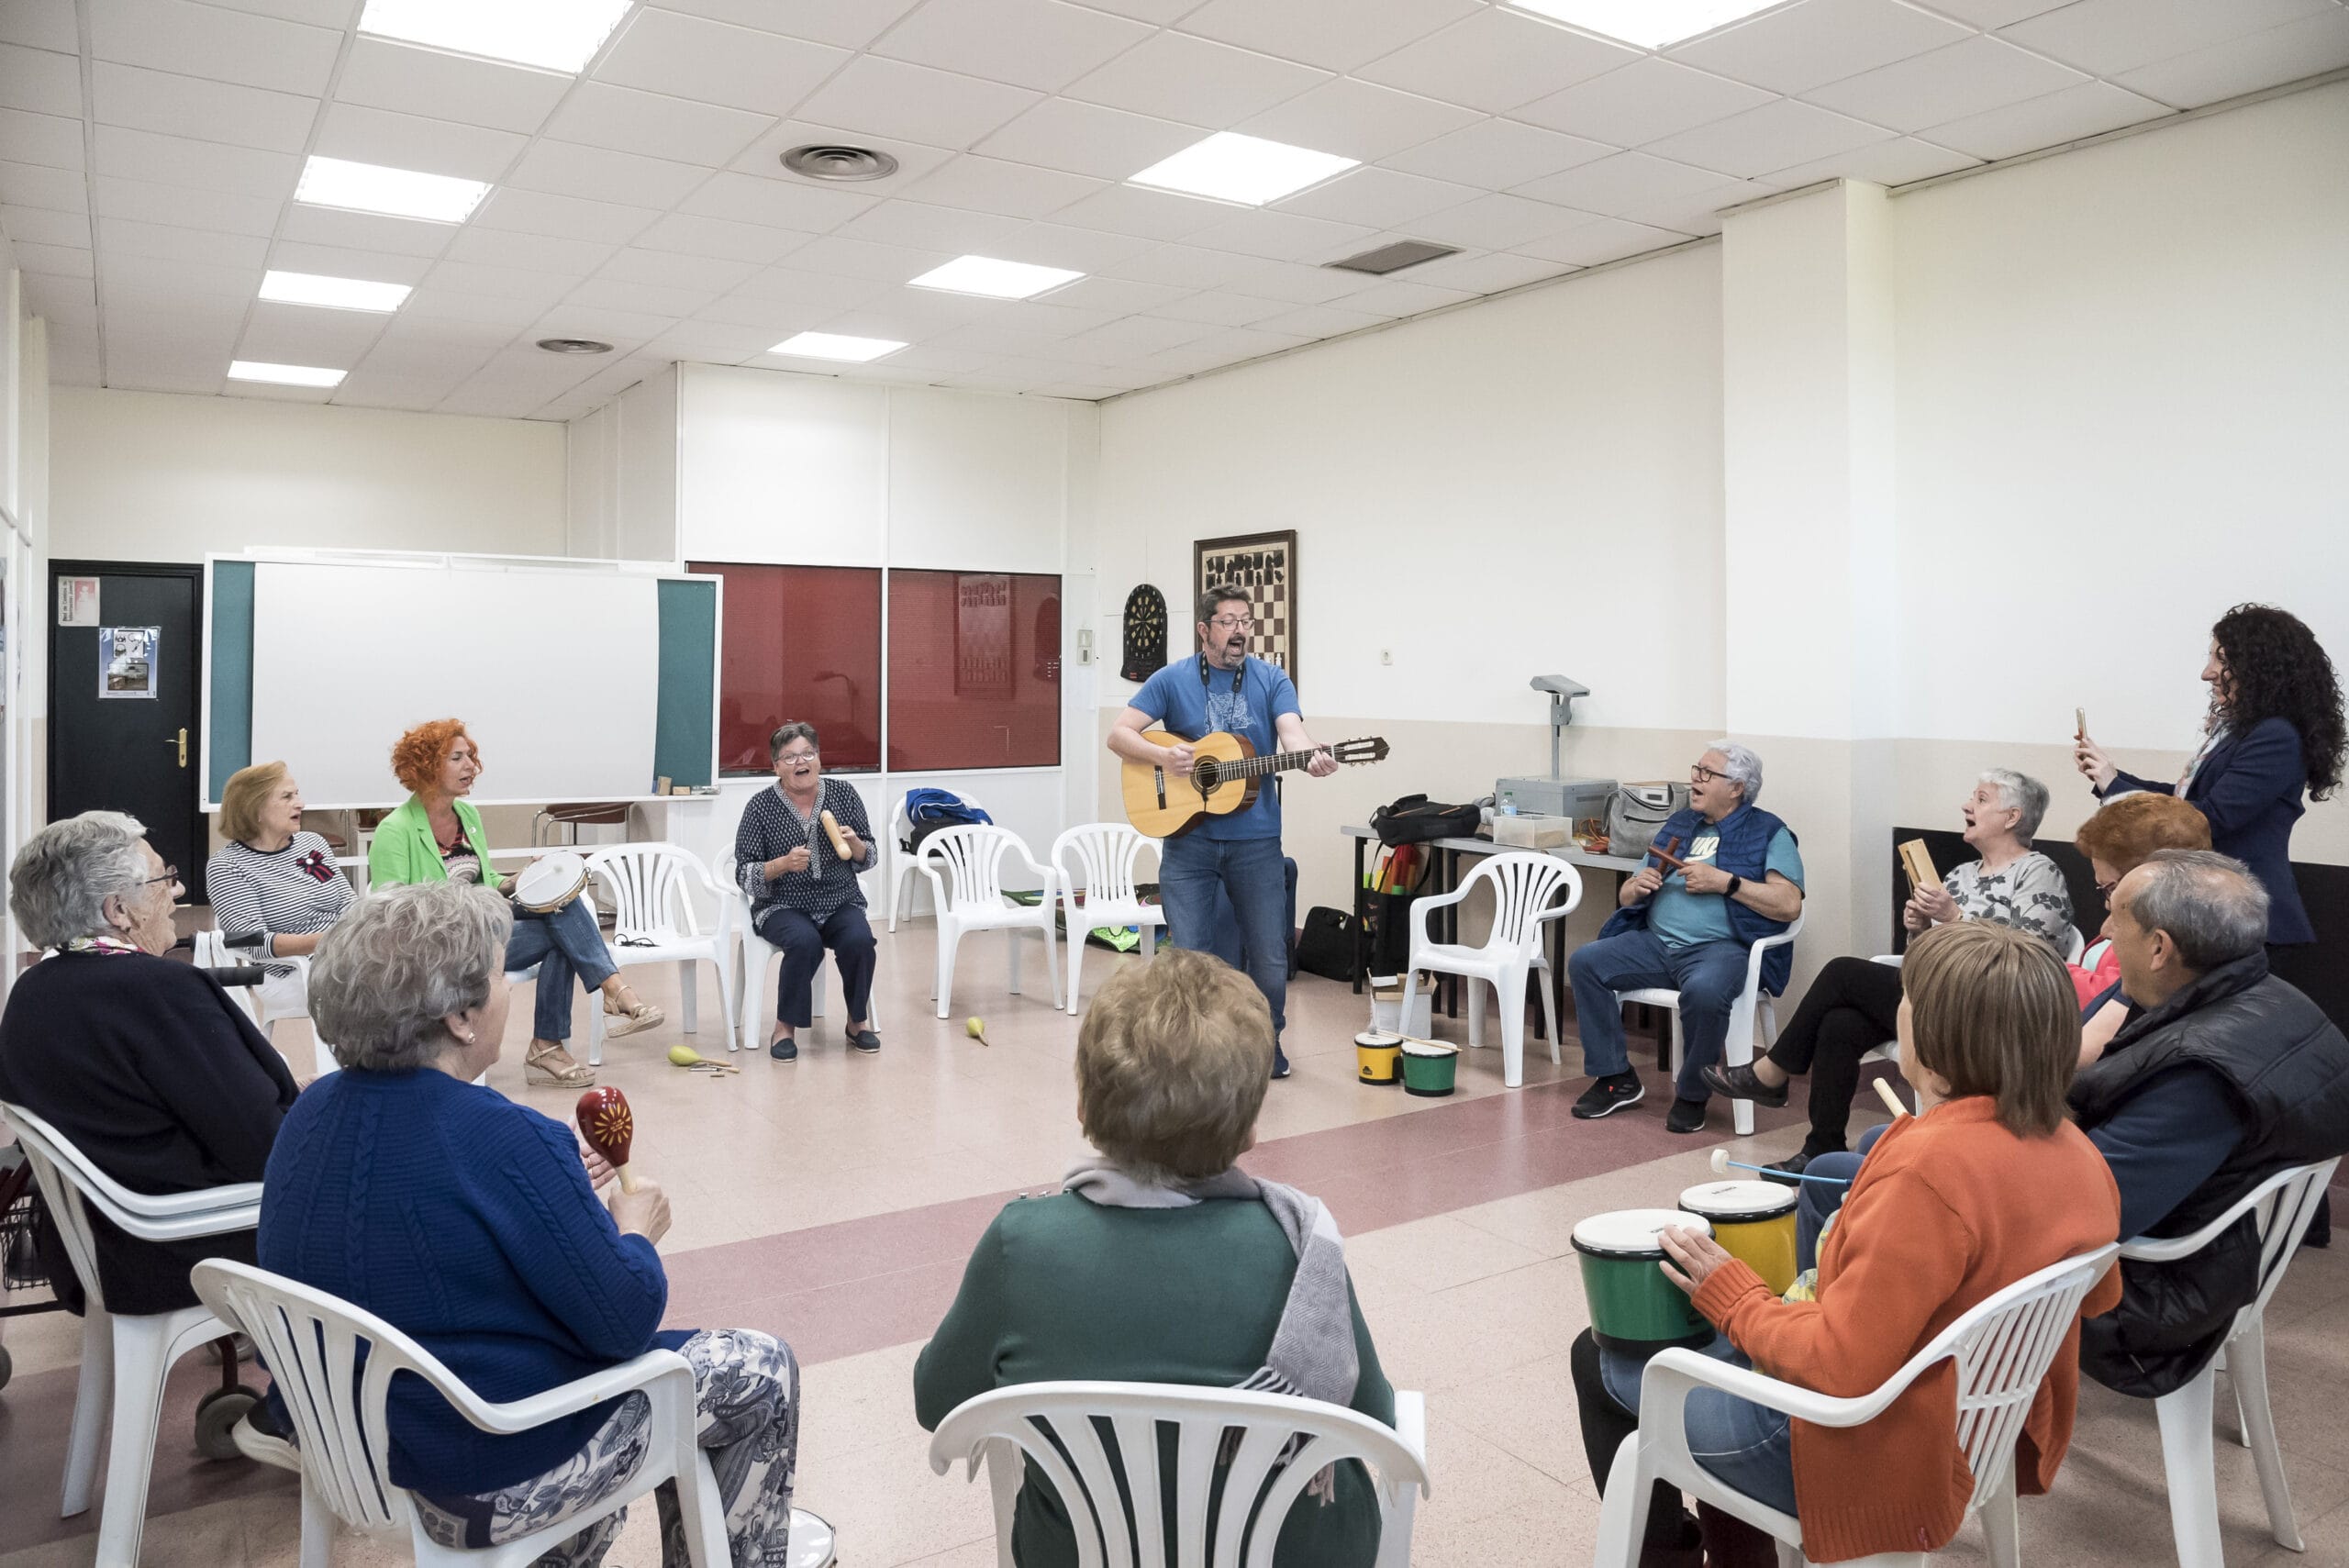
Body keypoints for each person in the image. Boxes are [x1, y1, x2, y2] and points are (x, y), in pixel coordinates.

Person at [259, 884, 807, 1567]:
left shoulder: (309, 1113)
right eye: (501, 976)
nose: (509, 992)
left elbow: (425, 1231)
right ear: (462, 1016)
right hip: (479, 1471)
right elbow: (624, 1319)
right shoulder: (505, 1137)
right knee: (761, 1370)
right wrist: (635, 1231)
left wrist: (550, 1185)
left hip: (343, 1445)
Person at [1570, 922, 2121, 1568]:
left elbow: (1839, 1365)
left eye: (1907, 998)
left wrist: (1738, 1299)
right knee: (1730, 1342)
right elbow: (2097, 1292)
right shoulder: (2080, 1152)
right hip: (1980, 1425)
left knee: (1599, 1356)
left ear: (1935, 1043)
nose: (1898, 1009)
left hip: (1864, 1446)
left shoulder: (1926, 1174)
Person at [914, 949, 1394, 1568]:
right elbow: (1378, 1419)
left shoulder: (1021, 1246)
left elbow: (936, 1401)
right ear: (1250, 1129)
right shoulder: (1302, 1247)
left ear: (1083, 1106)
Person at [2066, 851, 2349, 1394]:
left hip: (2154, 1295)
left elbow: (2082, 1211)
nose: (2105, 931)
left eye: (2116, 916)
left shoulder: (2201, 1076)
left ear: (2159, 948)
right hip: (2211, 1255)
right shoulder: (2275, 1001)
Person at [1700, 769, 2073, 1174]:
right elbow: (1923, 958)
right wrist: (1919, 929)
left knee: (1842, 972)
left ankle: (1772, 1072)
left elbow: (2031, 957)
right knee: (1840, 1024)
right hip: (1937, 993)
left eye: (1981, 800)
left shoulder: (2038, 872)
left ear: (2012, 817)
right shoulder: (1960, 875)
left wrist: (1954, 916)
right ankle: (1821, 1148)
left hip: (1993, 1004)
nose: (1967, 805)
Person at [0, 811, 296, 1315]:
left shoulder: (31, 992)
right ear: (119, 909)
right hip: (179, 1247)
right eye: (164, 879)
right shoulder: (160, 992)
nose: (178, 892)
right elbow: (265, 1147)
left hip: (91, 1246)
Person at [1108, 585, 1337, 1080]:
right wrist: (1164, 756)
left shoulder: (1272, 679)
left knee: (1269, 957)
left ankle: (1266, 1045)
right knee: (1189, 957)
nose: (1239, 631)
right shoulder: (1172, 679)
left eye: (1245, 621)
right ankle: (1193, 1054)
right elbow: (1119, 734)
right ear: (1204, 629)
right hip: (1187, 843)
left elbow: (1292, 732)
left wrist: (1310, 755)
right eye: (1228, 621)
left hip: (1256, 844)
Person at [368, 719, 662, 1089]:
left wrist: (522, 879)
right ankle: (577, 1023)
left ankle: (599, 1004)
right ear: (426, 767)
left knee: (560, 899)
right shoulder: (395, 830)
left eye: (470, 756)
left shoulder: (467, 816)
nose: (471, 766)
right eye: (457, 758)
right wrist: (465, 907)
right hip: (443, 945)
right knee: (563, 935)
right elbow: (392, 914)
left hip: (485, 923)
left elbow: (485, 879)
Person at [2075, 604, 2343, 973]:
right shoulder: (2242, 732)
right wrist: (2109, 777)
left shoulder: (2276, 736)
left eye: (2222, 659)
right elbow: (2184, 800)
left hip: (2247, 922)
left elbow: (2208, 819)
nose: (2207, 673)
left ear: (2260, 667)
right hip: (2215, 918)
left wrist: (2115, 785)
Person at [1567, 743, 1804, 1132]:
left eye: (1708, 773)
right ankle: (1616, 1078)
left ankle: (1693, 1094)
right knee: (1586, 962)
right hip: (1656, 943)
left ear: (1737, 788)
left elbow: (1789, 904)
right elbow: (1626, 895)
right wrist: (1636, 887)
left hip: (1722, 950)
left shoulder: (1769, 832)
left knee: (1706, 992)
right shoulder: (1679, 824)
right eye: (1697, 769)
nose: (1695, 778)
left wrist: (1726, 883)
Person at [732, 722, 880, 1061]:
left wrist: (856, 845)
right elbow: (744, 874)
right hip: (782, 906)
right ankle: (784, 1028)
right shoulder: (760, 807)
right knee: (804, 942)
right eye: (790, 757)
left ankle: (857, 1022)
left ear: (819, 759)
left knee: (859, 940)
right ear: (776, 767)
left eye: (808, 754)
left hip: (840, 900)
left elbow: (869, 856)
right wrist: (782, 864)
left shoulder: (844, 795)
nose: (801, 762)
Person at [206, 761, 355, 1026]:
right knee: (396, 983)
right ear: (254, 808)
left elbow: (349, 903)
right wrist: (330, 940)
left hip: (347, 954)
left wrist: (359, 936)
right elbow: (252, 942)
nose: (301, 804)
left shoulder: (313, 844)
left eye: (297, 794)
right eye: (287, 797)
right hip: (288, 972)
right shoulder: (227, 866)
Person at [2066, 793, 2210, 1062]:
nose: (2107, 905)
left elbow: (2080, 1057)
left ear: (2145, 877)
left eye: (2109, 888)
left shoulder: (2160, 948)